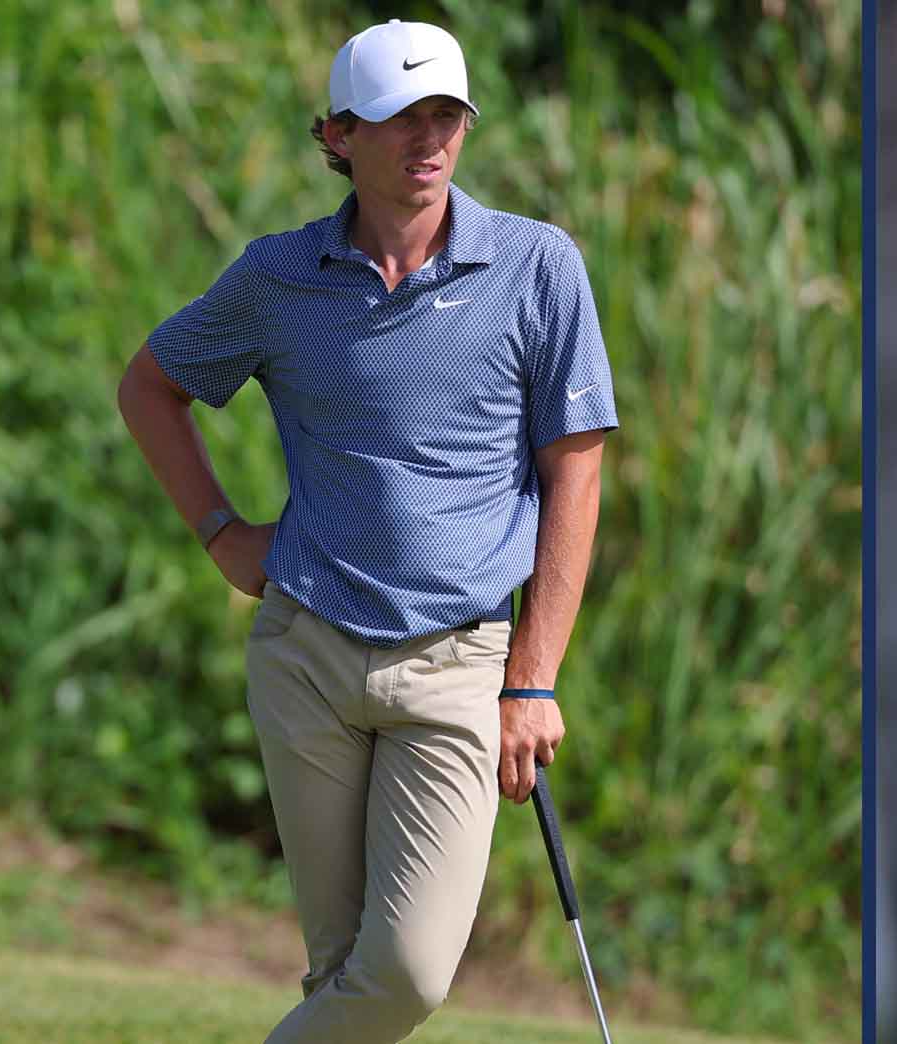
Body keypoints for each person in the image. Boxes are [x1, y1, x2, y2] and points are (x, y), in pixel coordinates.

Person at [116, 19, 616, 1043]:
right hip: (306, 653)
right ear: (339, 134)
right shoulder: (277, 278)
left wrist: (534, 676)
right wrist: (218, 532)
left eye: (447, 116)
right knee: (341, 975)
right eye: (399, 120)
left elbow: (575, 470)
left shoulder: (535, 267)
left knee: (406, 977)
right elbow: (151, 385)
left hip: (460, 666)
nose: (428, 140)